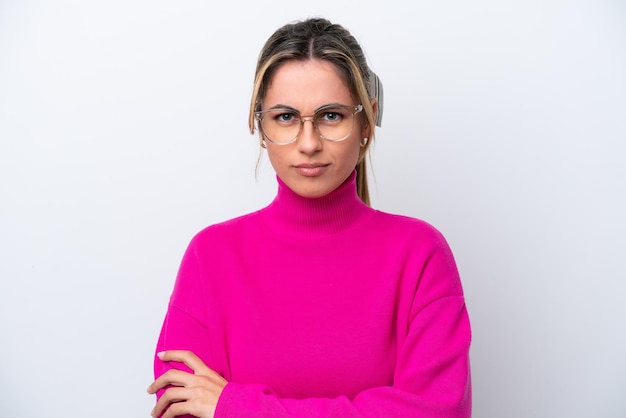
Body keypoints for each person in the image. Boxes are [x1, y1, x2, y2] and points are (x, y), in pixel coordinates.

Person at [147, 17, 472, 418]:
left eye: (331, 116)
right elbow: (181, 406)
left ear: (366, 120)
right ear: (259, 125)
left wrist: (236, 406)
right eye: (285, 117)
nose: (308, 143)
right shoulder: (210, 257)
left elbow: (434, 411)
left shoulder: (420, 255)